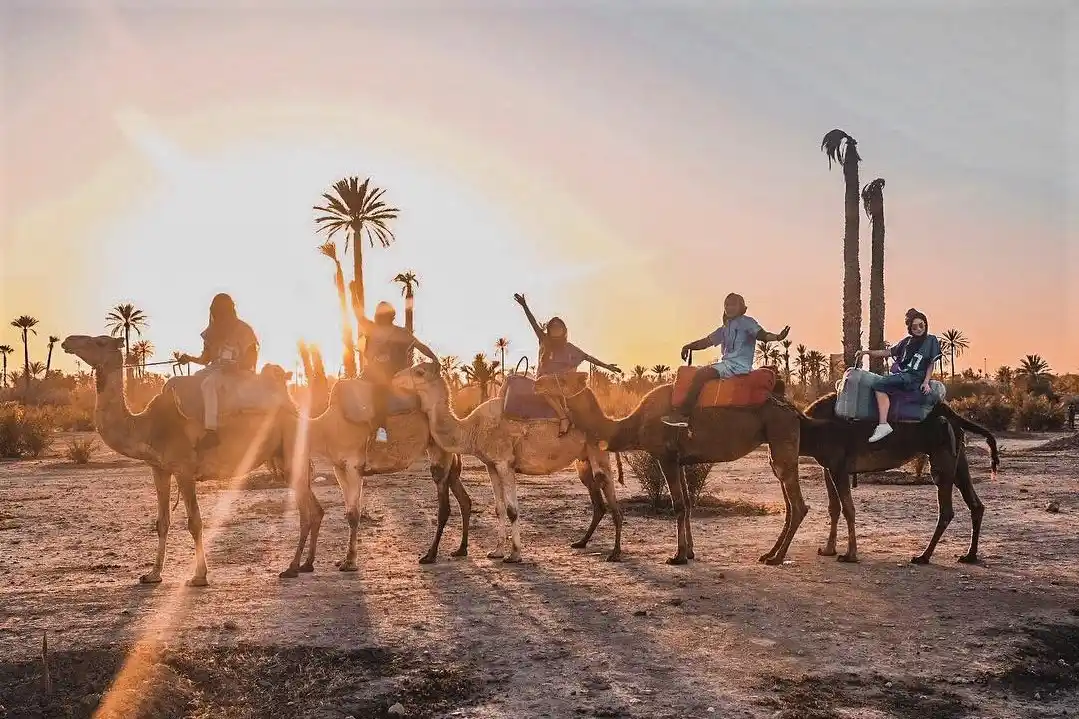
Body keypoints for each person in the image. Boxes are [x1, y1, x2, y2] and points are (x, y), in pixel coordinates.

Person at [662, 292, 789, 428]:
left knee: (701, 375)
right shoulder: (724, 329)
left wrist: (777, 337)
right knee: (702, 373)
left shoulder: (747, 322)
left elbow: (762, 335)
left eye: (733, 305)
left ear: (741, 307)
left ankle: (684, 415)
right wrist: (688, 346)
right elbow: (706, 342)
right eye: (727, 305)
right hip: (726, 365)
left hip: (736, 367)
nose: (729, 308)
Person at [513, 293, 622, 435]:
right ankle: (563, 417)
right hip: (545, 381)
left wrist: (607, 366)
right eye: (553, 328)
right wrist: (525, 306)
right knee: (543, 386)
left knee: (574, 393)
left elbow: (587, 357)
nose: (556, 330)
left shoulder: (569, 347)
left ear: (564, 330)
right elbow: (533, 323)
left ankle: (585, 424)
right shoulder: (544, 340)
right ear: (549, 330)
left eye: (559, 328)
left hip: (561, 382)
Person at [179, 293, 259, 451]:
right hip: (217, 369)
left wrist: (236, 366)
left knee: (209, 384)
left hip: (239, 373)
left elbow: (251, 360)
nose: (218, 315)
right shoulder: (212, 332)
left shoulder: (244, 330)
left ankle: (211, 432)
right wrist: (189, 358)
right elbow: (205, 359)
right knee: (192, 381)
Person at [856, 308, 942, 443]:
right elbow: (888, 352)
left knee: (879, 384)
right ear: (910, 329)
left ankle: (883, 424)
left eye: (921, 325)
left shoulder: (931, 340)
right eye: (914, 327)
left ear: (926, 324)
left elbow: (931, 363)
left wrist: (926, 382)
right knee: (881, 383)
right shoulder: (907, 342)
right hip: (903, 375)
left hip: (913, 377)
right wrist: (867, 352)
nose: (919, 329)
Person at [358, 300, 439, 441]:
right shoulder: (373, 330)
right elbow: (359, 317)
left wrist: (434, 358)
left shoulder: (401, 333)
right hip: (375, 374)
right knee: (372, 392)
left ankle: (383, 433)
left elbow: (419, 346)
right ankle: (378, 431)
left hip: (397, 374)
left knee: (384, 392)